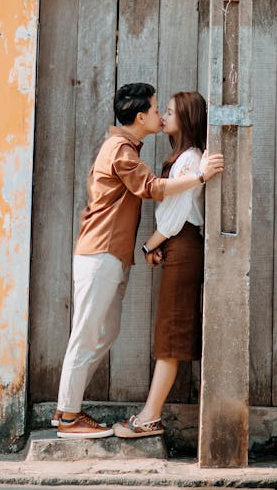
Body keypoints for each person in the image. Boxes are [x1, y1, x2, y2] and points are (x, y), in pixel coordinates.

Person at [52, 82, 224, 438]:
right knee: (87, 333)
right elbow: (153, 188)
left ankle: (69, 411)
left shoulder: (129, 148)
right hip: (100, 252)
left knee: (105, 331)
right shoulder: (121, 150)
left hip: (110, 254)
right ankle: (68, 415)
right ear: (142, 115)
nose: (161, 116)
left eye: (168, 111)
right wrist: (201, 176)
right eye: (158, 109)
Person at [114, 90, 212, 439]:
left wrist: (149, 244)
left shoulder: (190, 158)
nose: (164, 116)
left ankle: (149, 418)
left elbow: (175, 215)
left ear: (185, 119)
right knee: (169, 332)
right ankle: (149, 415)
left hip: (182, 245)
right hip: (178, 245)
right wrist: (159, 245)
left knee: (171, 335)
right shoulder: (184, 156)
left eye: (169, 112)